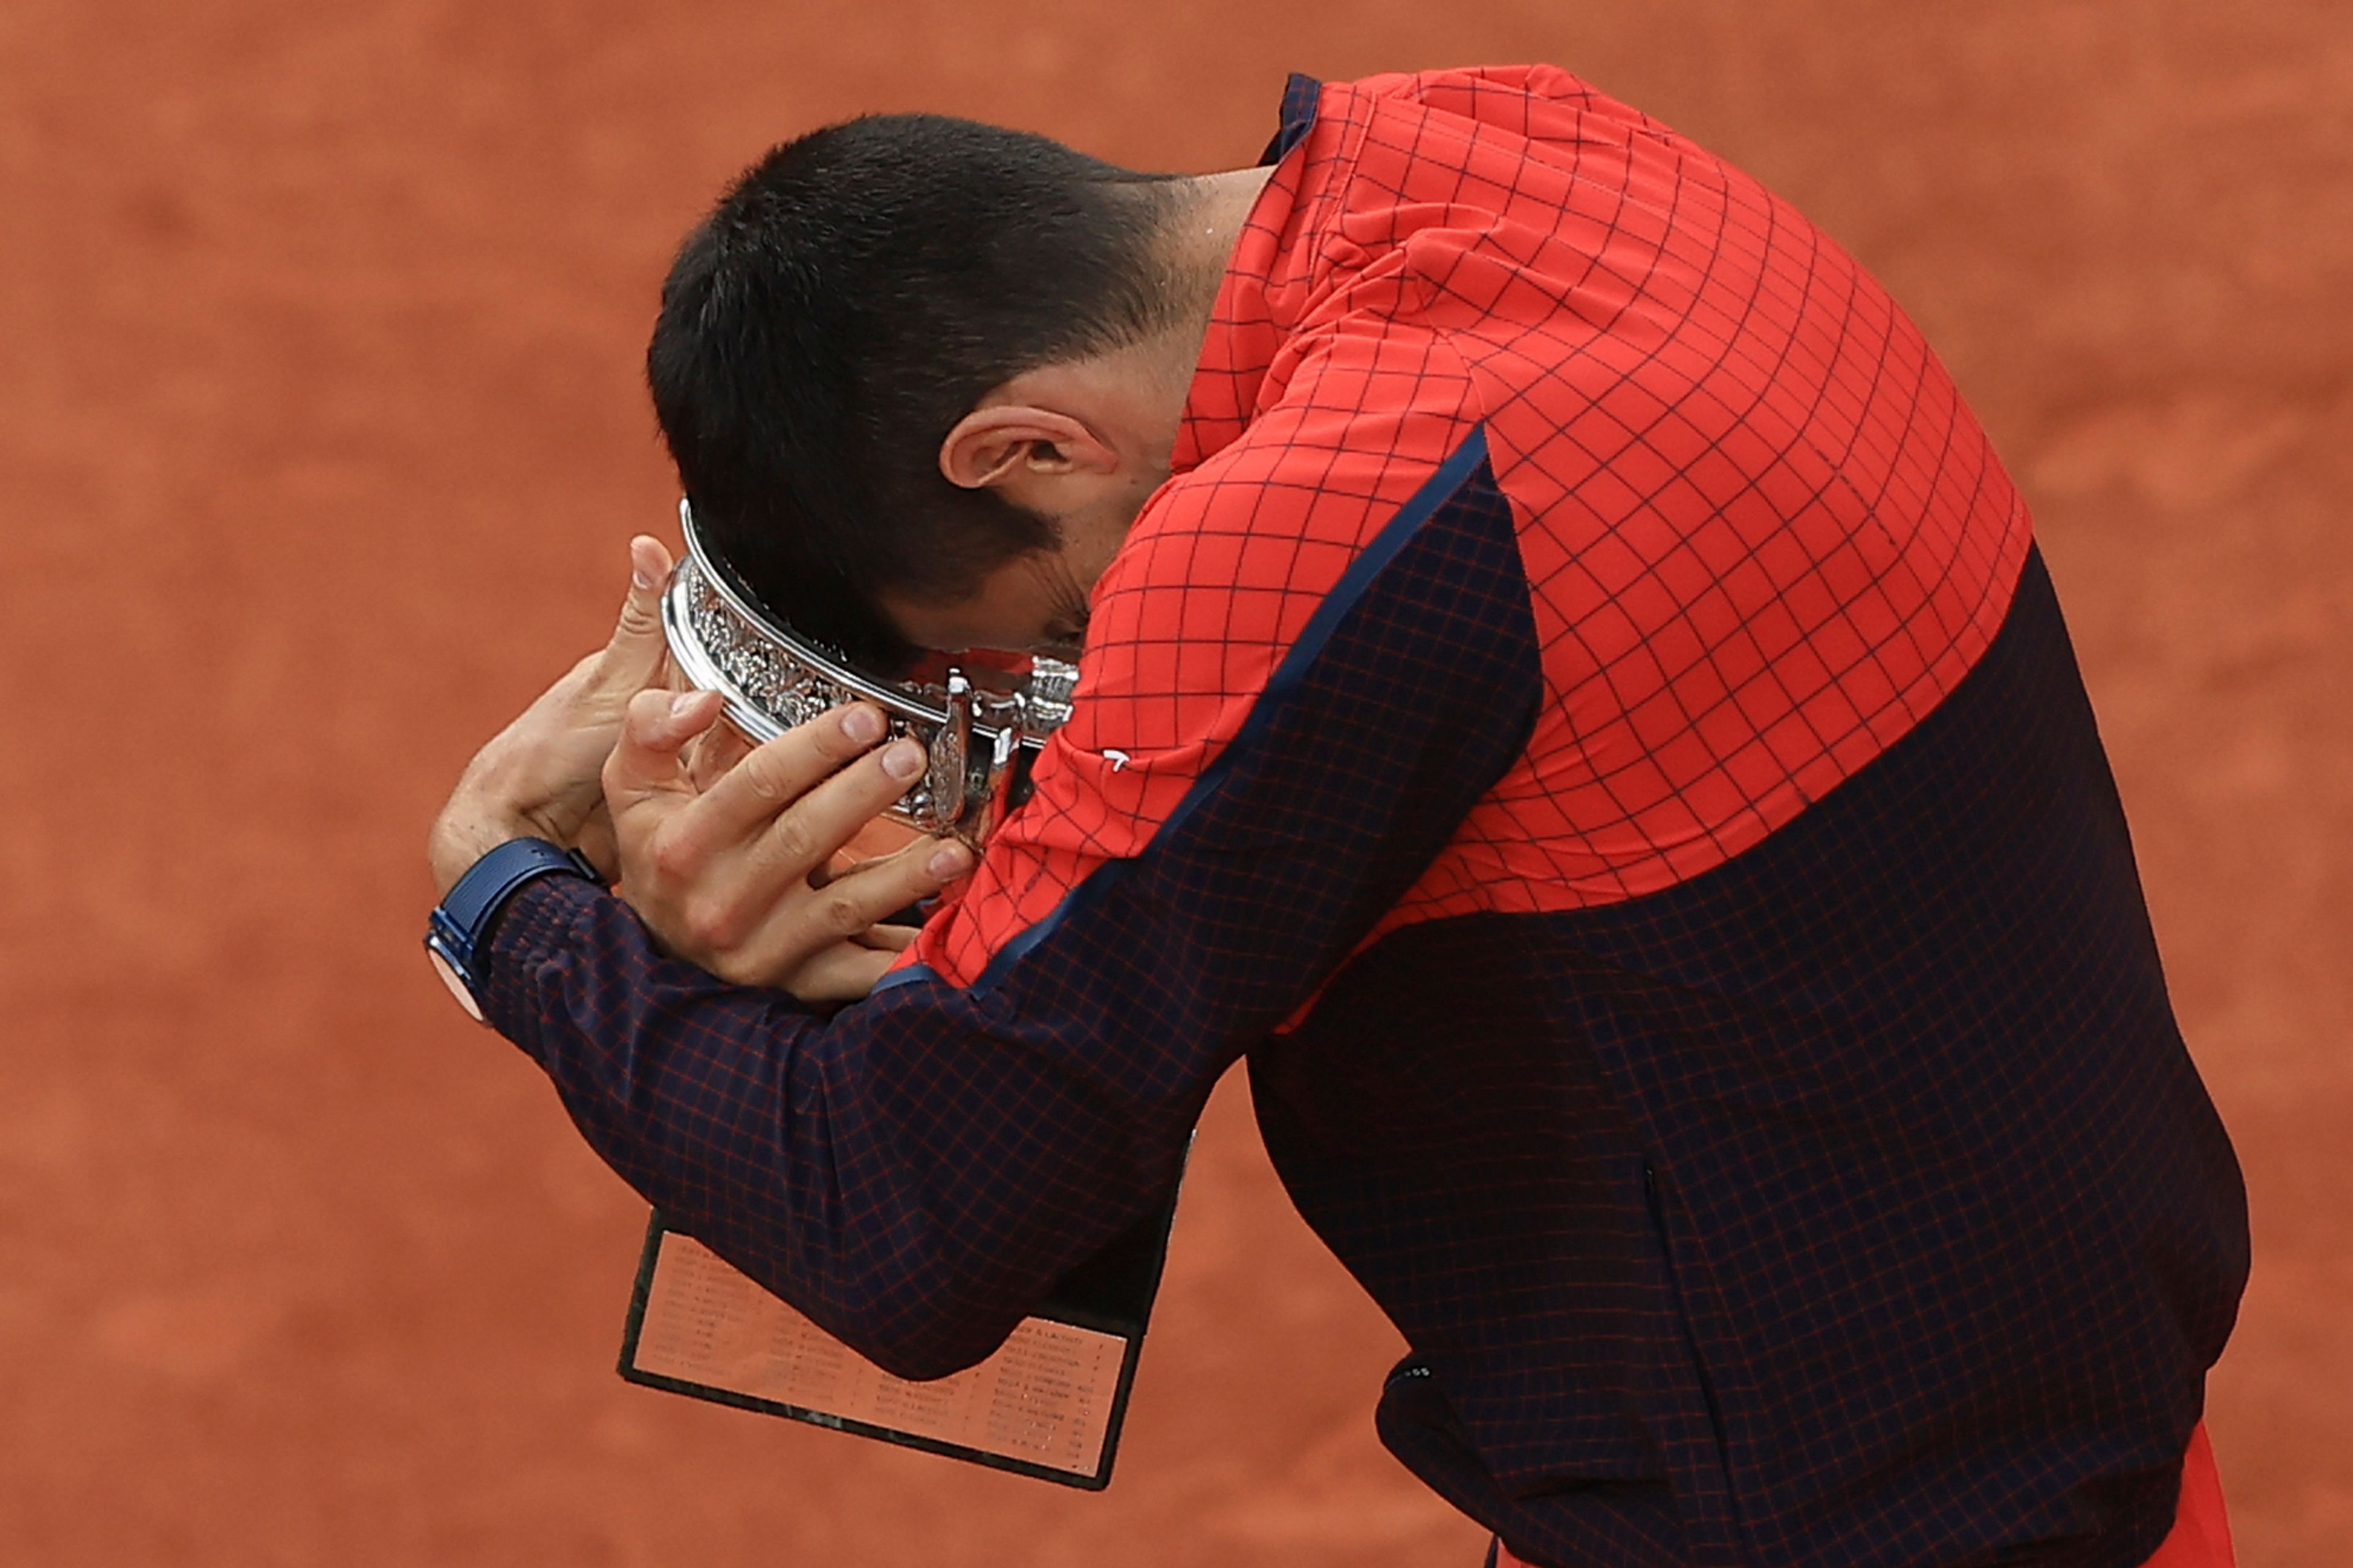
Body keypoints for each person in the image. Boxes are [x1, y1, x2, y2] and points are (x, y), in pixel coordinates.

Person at [426, 66, 2248, 1568]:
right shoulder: (1520, 147)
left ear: (1027, 449)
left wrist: (513, 903)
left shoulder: (1322, 536)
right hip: (2089, 1455)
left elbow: (910, 1226)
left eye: (1061, 622)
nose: (1090, 666)